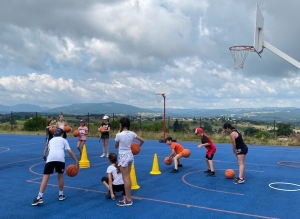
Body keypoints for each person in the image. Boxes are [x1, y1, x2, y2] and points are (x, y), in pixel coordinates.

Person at [32, 128, 79, 206]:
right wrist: (76, 161)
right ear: (62, 134)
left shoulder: (51, 140)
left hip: (50, 159)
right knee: (60, 177)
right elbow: (69, 151)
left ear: (54, 134)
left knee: (45, 178)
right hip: (60, 159)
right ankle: (61, 195)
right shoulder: (64, 140)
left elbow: (48, 149)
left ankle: (39, 197)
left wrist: (45, 155)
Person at [115, 117, 144, 206]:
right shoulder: (132, 133)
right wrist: (138, 146)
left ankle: (128, 199)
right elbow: (142, 140)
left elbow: (116, 146)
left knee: (125, 178)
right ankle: (127, 196)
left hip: (123, 156)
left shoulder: (119, 135)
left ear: (121, 124)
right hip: (130, 155)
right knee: (128, 178)